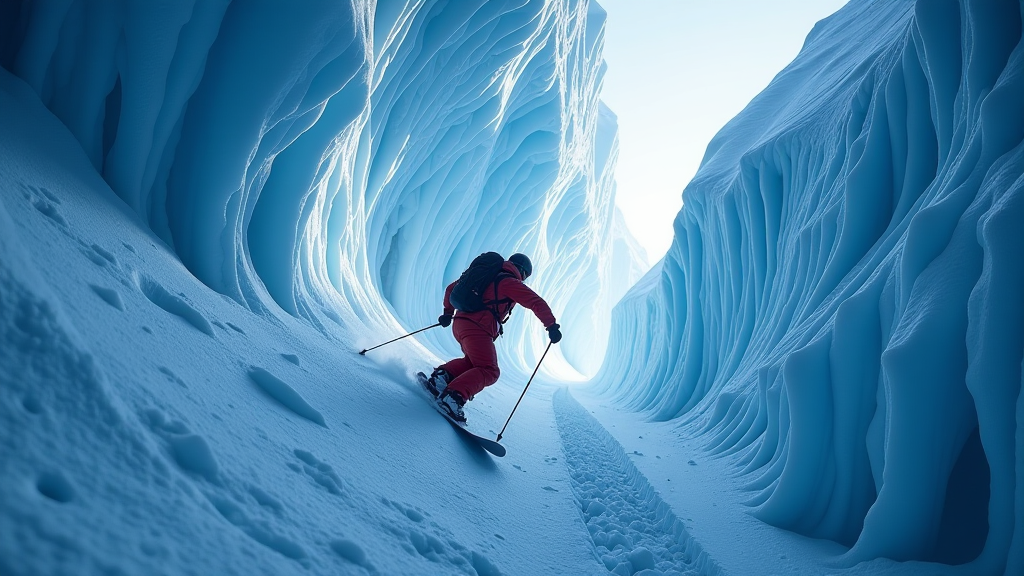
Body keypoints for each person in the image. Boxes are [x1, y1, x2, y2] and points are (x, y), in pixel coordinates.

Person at [425, 253, 561, 422]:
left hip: (459, 324)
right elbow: (536, 302)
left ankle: (441, 377)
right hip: (477, 328)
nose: (524, 280)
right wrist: (552, 326)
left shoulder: (483, 275)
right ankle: (453, 397)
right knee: (490, 370)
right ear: (521, 270)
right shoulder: (508, 282)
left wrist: (447, 313)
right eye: (525, 276)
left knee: (473, 364)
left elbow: (451, 289)